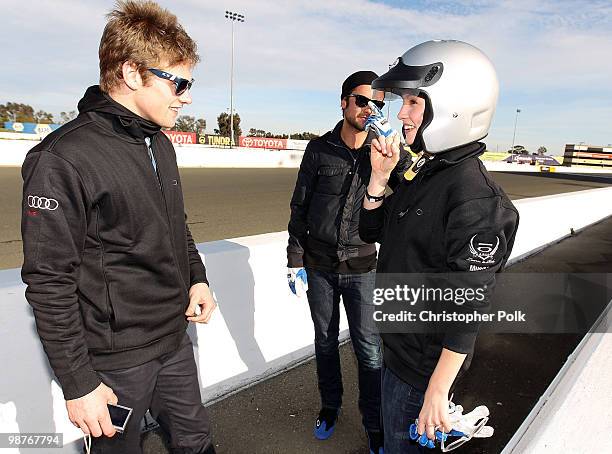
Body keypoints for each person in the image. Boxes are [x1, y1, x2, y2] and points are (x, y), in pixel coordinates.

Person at [21, 2, 217, 453]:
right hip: (114, 364)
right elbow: (49, 281)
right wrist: (78, 384)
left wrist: (198, 278)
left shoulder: (159, 145)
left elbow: (175, 226)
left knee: (197, 443)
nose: (186, 96)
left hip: (174, 341)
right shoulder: (62, 159)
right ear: (132, 73)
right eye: (179, 82)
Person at [359, 40, 520, 452]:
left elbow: (469, 304)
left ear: (454, 105)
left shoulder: (474, 198)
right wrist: (378, 181)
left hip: (421, 375)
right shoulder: (428, 172)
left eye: (414, 102)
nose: (401, 113)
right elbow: (371, 232)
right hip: (397, 353)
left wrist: (436, 391)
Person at [287, 71, 411, 453]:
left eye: (377, 103)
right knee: (324, 342)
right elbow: (300, 206)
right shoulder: (318, 150)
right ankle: (330, 407)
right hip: (320, 266)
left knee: (369, 349)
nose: (369, 109)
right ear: (344, 102)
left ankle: (375, 425)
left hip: (363, 269)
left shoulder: (384, 150)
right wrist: (294, 259)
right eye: (361, 101)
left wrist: (399, 152)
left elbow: (412, 188)